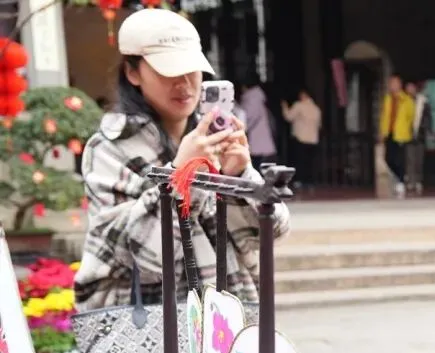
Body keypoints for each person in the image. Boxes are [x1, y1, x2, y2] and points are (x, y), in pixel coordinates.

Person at [74, 8, 290, 312]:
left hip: (223, 318)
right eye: (168, 70)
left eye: (192, 68)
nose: (185, 82)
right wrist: (182, 176)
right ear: (133, 73)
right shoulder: (110, 147)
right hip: (146, 322)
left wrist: (240, 176)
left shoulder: (214, 138)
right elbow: (144, 259)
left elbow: (269, 233)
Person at [379, 75, 415, 199]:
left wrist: (405, 128)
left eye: (394, 83)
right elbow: (384, 116)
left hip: (401, 134)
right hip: (389, 133)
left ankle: (401, 182)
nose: (392, 86)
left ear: (399, 85)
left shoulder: (406, 100)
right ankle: (399, 177)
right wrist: (382, 132)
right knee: (387, 158)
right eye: (391, 83)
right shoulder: (388, 99)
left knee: (399, 159)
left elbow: (411, 116)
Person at [282, 89, 322, 188]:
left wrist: (284, 107)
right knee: (310, 162)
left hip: (300, 138)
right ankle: (310, 181)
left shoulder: (299, 105)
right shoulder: (316, 109)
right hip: (313, 139)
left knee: (300, 161)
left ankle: (299, 181)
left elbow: (288, 117)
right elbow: (319, 125)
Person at [238, 74, 277, 168]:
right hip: (260, 141)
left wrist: (241, 127)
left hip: (258, 142)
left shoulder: (252, 98)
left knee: (258, 166)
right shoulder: (257, 97)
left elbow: (248, 117)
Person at [405, 80, 432, 196]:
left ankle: (418, 181)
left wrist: (426, 130)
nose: (409, 90)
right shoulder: (404, 101)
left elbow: (428, 118)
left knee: (419, 160)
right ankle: (411, 181)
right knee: (409, 159)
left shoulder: (423, 102)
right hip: (407, 135)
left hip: (420, 135)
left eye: (411, 88)